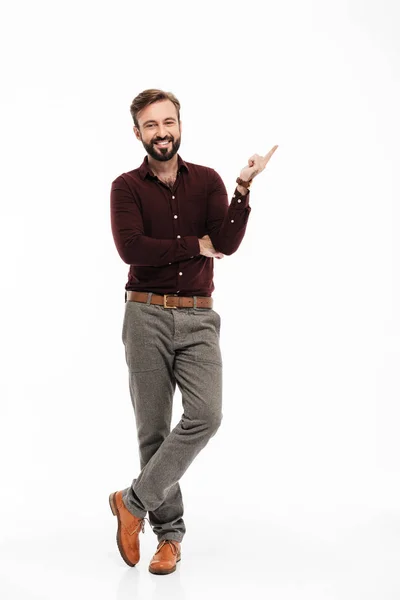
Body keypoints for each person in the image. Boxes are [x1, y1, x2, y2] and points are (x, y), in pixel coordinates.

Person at [109, 88, 278, 575]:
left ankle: (131, 501)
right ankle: (169, 537)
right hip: (145, 315)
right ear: (138, 133)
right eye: (150, 125)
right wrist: (192, 244)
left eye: (167, 122)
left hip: (200, 316)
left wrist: (243, 188)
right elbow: (133, 250)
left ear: (179, 123)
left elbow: (224, 243)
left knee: (206, 414)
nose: (161, 132)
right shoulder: (125, 188)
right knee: (153, 430)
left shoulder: (207, 182)